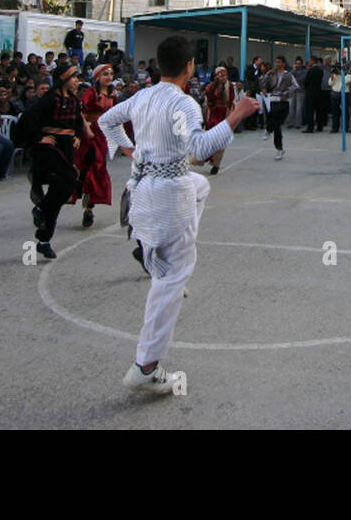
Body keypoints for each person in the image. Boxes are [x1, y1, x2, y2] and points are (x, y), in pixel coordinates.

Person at [98, 35, 258, 394]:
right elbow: (200, 150)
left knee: (201, 186)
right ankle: (146, 366)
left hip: (142, 190)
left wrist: (130, 151)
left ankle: (161, 263)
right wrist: (235, 115)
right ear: (189, 67)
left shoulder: (142, 95)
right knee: (170, 279)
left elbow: (107, 121)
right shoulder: (184, 104)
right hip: (166, 197)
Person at [20, 64, 88, 259]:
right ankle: (41, 209)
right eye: (73, 77)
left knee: (59, 194)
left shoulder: (74, 100)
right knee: (67, 181)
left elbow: (76, 123)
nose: (76, 80)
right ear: (63, 80)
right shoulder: (50, 99)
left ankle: (43, 238)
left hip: (66, 147)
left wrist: (76, 135)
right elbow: (27, 120)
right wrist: (38, 138)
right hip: (51, 149)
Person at [73, 64, 116, 225]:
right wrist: (86, 128)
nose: (109, 77)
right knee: (90, 165)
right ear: (97, 77)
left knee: (98, 170)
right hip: (90, 135)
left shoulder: (112, 94)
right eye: (105, 74)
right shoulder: (91, 92)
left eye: (111, 74)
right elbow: (80, 110)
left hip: (103, 135)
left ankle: (89, 208)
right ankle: (81, 190)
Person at [259, 56, 297, 160]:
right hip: (274, 100)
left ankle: (268, 129)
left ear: (284, 64)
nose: (277, 64)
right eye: (276, 62)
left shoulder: (288, 75)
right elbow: (263, 82)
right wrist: (264, 87)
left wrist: (286, 93)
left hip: (284, 101)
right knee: (277, 125)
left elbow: (295, 86)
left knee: (277, 123)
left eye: (279, 62)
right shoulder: (271, 74)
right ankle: (279, 148)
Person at [202, 67, 233, 174]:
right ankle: (205, 157)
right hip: (213, 115)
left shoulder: (230, 86)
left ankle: (216, 164)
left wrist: (231, 117)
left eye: (225, 75)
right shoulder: (211, 87)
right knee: (210, 138)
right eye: (221, 75)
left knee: (221, 141)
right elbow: (208, 101)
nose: (224, 77)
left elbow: (231, 102)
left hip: (224, 115)